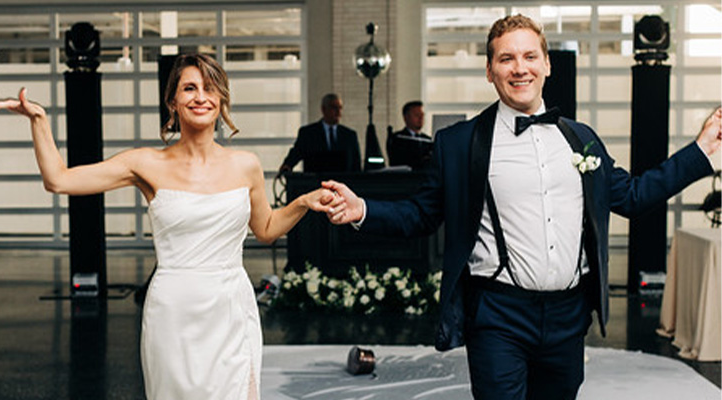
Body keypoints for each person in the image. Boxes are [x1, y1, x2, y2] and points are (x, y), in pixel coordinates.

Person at [322, 15, 721, 400]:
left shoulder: (580, 138)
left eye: (530, 56)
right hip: (497, 314)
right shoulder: (460, 143)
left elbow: (633, 196)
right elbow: (422, 213)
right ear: (489, 70)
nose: (520, 68)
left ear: (547, 64)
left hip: (568, 315)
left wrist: (700, 150)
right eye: (506, 58)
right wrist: (363, 210)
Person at [0, 53, 340, 400]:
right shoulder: (145, 163)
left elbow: (266, 228)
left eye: (210, 88)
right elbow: (58, 180)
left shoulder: (246, 164)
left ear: (222, 100)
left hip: (230, 308)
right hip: (173, 309)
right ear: (173, 103)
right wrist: (38, 120)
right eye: (189, 88)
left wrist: (302, 203)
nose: (201, 97)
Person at [279, 93, 361, 174]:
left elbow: (356, 164)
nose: (338, 112)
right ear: (324, 109)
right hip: (315, 182)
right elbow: (296, 153)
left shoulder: (349, 135)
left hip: (343, 183)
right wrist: (287, 165)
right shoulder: (308, 133)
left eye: (340, 108)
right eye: (334, 108)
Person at [386, 100, 433, 169]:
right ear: (406, 117)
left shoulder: (428, 140)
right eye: (417, 115)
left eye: (422, 115)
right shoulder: (397, 139)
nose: (421, 118)